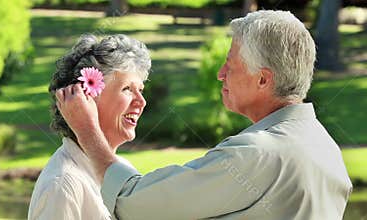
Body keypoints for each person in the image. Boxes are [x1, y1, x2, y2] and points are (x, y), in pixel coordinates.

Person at [56, 10, 353, 220]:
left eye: (230, 65)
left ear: (263, 79)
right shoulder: (326, 150)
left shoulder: (256, 154)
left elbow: (133, 204)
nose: (221, 75)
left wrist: (87, 131)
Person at [28, 34, 151, 220]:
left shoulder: (122, 170)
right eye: (127, 89)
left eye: (140, 90)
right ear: (86, 98)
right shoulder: (63, 186)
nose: (141, 102)